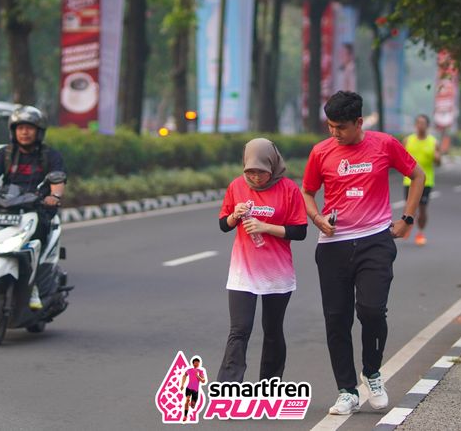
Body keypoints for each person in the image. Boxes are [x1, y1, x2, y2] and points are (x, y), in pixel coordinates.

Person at [301, 91, 425, 415]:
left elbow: (418, 175)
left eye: (341, 127)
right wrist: (317, 218)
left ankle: (371, 372)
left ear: (359, 122)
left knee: (372, 311)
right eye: (330, 126)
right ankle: (347, 391)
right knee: (337, 319)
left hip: (375, 240)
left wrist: (407, 219)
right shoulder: (320, 152)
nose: (334, 133)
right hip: (334, 246)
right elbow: (308, 192)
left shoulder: (384, 145)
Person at [217, 138, 307, 384]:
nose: (255, 178)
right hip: (242, 272)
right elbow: (223, 225)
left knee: (273, 330)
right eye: (250, 172)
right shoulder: (236, 186)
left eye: (261, 172)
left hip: (276, 273)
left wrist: (266, 227)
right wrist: (234, 216)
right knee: (239, 330)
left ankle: (269, 385)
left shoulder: (288, 189)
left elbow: (300, 231)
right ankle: (228, 387)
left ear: (273, 166)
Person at [0, 106, 66, 310]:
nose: (24, 132)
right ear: (13, 131)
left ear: (39, 131)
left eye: (29, 128)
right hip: (8, 205)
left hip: (37, 207)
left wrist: (54, 197)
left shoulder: (51, 155)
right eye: (20, 128)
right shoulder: (4, 153)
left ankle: (34, 286)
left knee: (39, 236)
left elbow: (58, 181)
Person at [403, 114, 441, 246]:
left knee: (422, 208)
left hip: (426, 181)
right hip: (409, 180)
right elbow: (400, 158)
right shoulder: (408, 140)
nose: (421, 126)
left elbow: (439, 163)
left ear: (427, 125)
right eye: (418, 123)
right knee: (408, 207)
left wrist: (437, 158)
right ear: (415, 125)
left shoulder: (433, 142)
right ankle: (406, 226)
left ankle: (420, 232)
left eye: (423, 123)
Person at [180, 357, 206, 422]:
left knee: (193, 406)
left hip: (195, 390)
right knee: (187, 400)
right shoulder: (189, 370)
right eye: (196, 362)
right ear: (193, 363)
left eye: (198, 363)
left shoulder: (200, 371)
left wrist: (198, 376)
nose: (197, 364)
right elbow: (184, 376)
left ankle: (191, 404)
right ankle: (185, 416)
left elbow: (203, 381)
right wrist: (182, 385)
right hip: (189, 388)